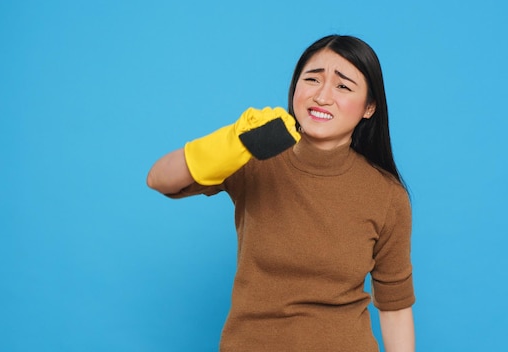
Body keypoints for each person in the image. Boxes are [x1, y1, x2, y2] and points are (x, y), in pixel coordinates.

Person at [147, 34, 415, 352]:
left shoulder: (386, 194)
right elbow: (160, 179)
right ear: (294, 88)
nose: (322, 96)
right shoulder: (256, 155)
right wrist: (232, 142)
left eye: (343, 86)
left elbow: (395, 307)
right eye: (312, 80)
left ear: (369, 107)